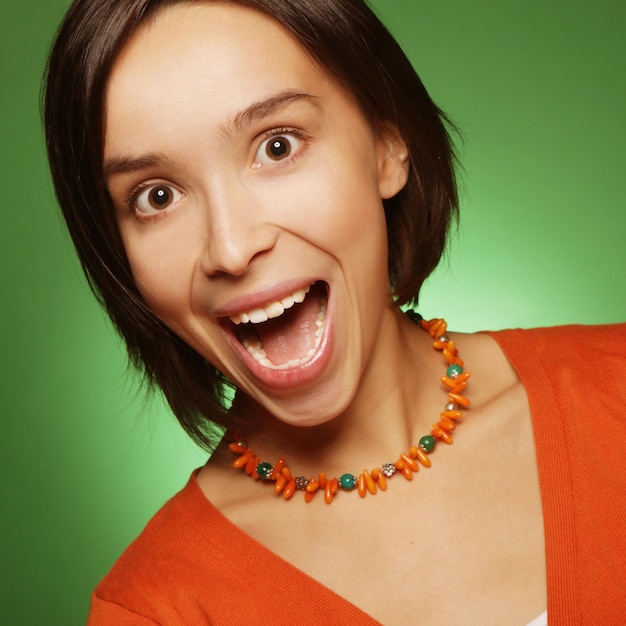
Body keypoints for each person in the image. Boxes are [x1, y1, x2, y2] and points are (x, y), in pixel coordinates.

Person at [44, 0, 625, 624]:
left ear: (385, 146)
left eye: (276, 146)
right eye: (156, 197)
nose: (232, 247)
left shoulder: (611, 390)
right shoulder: (158, 609)